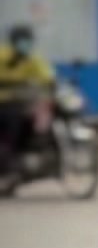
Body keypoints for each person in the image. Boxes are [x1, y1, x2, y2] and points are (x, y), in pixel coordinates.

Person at [0, 24, 56, 182]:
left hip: (20, 102)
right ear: (13, 41)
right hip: (3, 103)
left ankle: (35, 150)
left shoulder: (31, 58)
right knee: (12, 120)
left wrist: (51, 83)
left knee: (39, 114)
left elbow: (45, 73)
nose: (26, 44)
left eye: (28, 41)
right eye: (22, 41)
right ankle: (9, 157)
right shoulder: (2, 56)